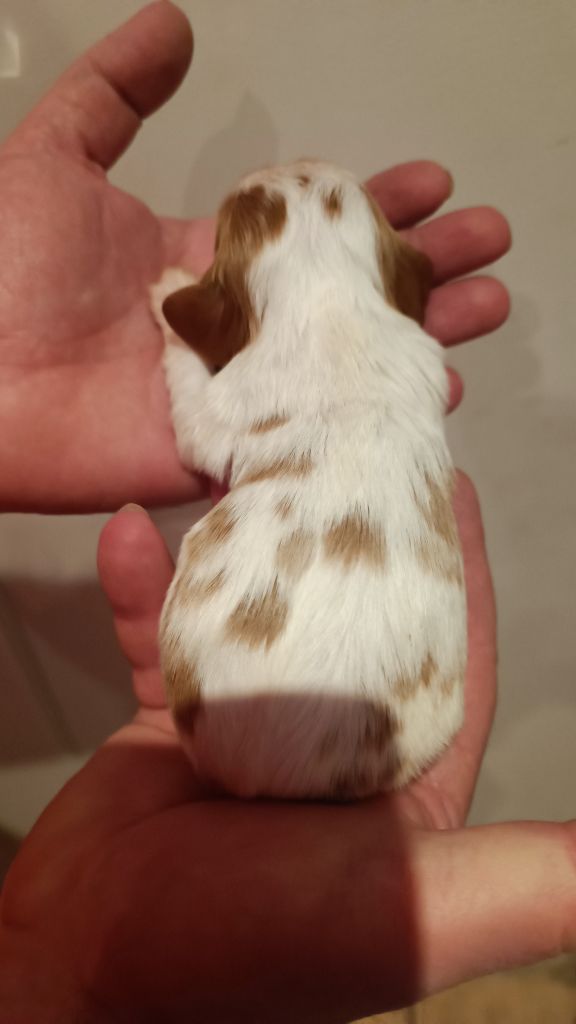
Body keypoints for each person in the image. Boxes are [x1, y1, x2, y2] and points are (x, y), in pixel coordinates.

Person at [0, 3, 573, 1022]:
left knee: (217, 545)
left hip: (222, 738)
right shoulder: (415, 359)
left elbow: (203, 435)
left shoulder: (239, 367)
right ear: (395, 282)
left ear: (226, 307)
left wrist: (177, 319)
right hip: (403, 742)